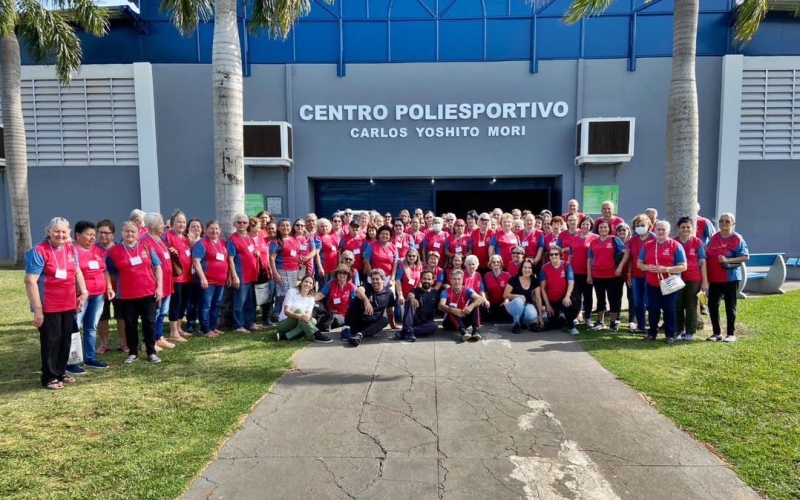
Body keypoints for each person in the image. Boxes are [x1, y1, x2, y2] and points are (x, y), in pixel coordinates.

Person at [25, 217, 90, 389]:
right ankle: (49, 376)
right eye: (56, 231)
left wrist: (83, 292)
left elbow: (77, 271)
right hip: (49, 305)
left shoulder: (70, 248)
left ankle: (60, 371)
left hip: (68, 303)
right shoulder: (39, 250)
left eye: (63, 231)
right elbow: (30, 281)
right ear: (48, 232)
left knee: (65, 340)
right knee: (51, 341)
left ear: (69, 232)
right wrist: (38, 309)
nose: (60, 235)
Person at [105, 220, 163, 364]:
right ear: (121, 233)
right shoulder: (114, 251)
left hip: (148, 292)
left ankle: (151, 351)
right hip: (127, 295)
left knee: (149, 323)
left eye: (133, 231)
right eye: (127, 231)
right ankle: (133, 352)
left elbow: (157, 267)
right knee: (130, 324)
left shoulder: (146, 246)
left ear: (138, 233)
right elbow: (109, 271)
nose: (130, 234)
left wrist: (159, 287)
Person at [70, 220, 110, 373]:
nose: (93, 238)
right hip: (80, 297)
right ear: (78, 235)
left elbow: (104, 270)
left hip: (98, 294)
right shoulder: (71, 250)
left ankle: (90, 358)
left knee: (91, 327)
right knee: (75, 327)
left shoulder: (97, 250)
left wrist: (109, 287)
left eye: (94, 234)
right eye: (89, 234)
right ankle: (71, 361)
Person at [637, 221, 687, 344]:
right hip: (652, 284)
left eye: (663, 229)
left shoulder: (675, 245)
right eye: (658, 229)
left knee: (669, 309)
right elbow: (639, 263)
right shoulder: (648, 245)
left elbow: (683, 266)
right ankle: (652, 333)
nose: (660, 232)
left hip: (669, 284)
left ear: (668, 231)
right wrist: (648, 267)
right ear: (654, 230)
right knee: (653, 309)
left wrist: (666, 269)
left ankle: (670, 335)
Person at [704, 213, 749, 342]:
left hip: (730, 278)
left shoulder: (737, 238)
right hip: (714, 278)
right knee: (712, 305)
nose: (724, 223)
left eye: (727, 221)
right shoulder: (714, 237)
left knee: (730, 306)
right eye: (721, 221)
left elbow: (745, 256)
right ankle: (716, 333)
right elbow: (706, 251)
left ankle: (731, 334)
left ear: (733, 224)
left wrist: (728, 259)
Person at [141, 213, 175, 350]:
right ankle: (147, 342)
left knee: (162, 312)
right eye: (161, 223)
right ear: (151, 225)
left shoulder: (161, 239)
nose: (164, 225)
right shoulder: (145, 241)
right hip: (155, 284)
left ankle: (158, 337)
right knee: (153, 314)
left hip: (167, 281)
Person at [587, 219, 628, 331]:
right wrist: (589, 275)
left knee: (613, 299)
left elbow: (626, 253)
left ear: (609, 229)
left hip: (612, 275)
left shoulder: (615, 240)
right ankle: (600, 321)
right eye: (601, 227)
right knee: (600, 299)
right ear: (597, 229)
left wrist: (620, 267)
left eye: (605, 227)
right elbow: (590, 259)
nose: (603, 229)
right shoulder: (594, 242)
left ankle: (613, 322)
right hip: (597, 275)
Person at [674, 216, 708, 341]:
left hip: (693, 278)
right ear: (678, 228)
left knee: (691, 305)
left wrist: (704, 281)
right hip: (677, 278)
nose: (685, 229)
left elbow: (703, 262)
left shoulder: (697, 242)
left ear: (692, 228)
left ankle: (690, 332)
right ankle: (678, 330)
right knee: (677, 304)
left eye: (688, 227)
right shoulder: (673, 242)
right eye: (683, 227)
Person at [192, 220, 228, 338]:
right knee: (205, 306)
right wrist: (203, 278)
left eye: (216, 229)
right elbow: (196, 262)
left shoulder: (222, 243)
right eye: (211, 228)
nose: (214, 231)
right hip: (208, 282)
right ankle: (205, 329)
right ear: (206, 230)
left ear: (220, 230)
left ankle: (212, 327)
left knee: (216, 305)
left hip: (220, 281)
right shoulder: (202, 243)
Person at [95, 219, 125, 354]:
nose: (103, 235)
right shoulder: (94, 250)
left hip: (119, 288)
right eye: (100, 232)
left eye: (106, 233)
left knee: (121, 316)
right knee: (102, 316)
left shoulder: (120, 248)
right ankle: (104, 344)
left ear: (113, 234)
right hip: (100, 288)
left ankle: (123, 343)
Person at [227, 213, 261, 333]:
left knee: (250, 301)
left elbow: (251, 250)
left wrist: (256, 253)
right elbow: (230, 259)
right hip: (241, 275)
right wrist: (234, 276)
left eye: (244, 222)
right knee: (239, 302)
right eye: (239, 222)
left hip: (252, 274)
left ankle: (249, 322)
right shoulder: (232, 239)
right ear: (234, 224)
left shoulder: (249, 237)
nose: (242, 224)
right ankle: (238, 325)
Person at [342, 269, 393, 347]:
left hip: (371, 324)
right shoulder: (368, 286)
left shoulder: (389, 293)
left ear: (383, 280)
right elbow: (358, 290)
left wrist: (393, 325)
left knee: (385, 320)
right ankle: (346, 328)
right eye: (373, 279)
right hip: (358, 321)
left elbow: (389, 311)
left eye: (377, 279)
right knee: (356, 299)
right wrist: (366, 300)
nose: (374, 281)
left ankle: (359, 335)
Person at [163, 210, 193, 342]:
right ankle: (173, 331)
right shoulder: (167, 236)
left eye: (184, 222)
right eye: (179, 222)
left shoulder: (186, 238)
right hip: (176, 277)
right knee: (175, 303)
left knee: (183, 303)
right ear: (172, 223)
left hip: (187, 276)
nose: (182, 224)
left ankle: (179, 327)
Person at [276, 275, 332, 342]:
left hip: (299, 323)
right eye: (306, 281)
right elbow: (286, 311)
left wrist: (304, 316)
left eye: (310, 283)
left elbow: (309, 314)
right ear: (301, 282)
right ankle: (316, 334)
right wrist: (299, 316)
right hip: (284, 323)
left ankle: (284, 336)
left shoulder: (311, 299)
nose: (308, 284)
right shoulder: (292, 292)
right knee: (300, 311)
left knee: (313, 321)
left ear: (313, 286)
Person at [363, 225, 399, 328]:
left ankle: (391, 323)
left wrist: (392, 279)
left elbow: (395, 264)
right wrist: (371, 275)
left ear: (390, 236)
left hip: (387, 276)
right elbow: (366, 261)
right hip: (374, 276)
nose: (384, 235)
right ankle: (373, 320)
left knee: (390, 298)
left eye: (387, 234)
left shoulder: (393, 247)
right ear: (378, 235)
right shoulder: (371, 245)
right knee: (373, 298)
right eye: (382, 233)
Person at [565, 215, 598, 326]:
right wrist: (568, 267)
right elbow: (570, 254)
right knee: (576, 297)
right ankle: (575, 316)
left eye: (587, 224)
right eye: (583, 224)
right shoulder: (574, 237)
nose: (585, 226)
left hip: (588, 272)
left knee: (588, 296)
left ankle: (588, 318)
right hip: (574, 272)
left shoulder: (595, 238)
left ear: (591, 226)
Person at [539, 246, 579, 335]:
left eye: (556, 254)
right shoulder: (544, 268)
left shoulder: (566, 265)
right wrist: (547, 306)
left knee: (568, 304)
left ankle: (571, 326)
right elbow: (543, 288)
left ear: (560, 255)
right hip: (552, 299)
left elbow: (571, 282)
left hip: (564, 297)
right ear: (548, 256)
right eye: (551, 254)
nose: (553, 256)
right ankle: (561, 317)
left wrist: (567, 296)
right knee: (554, 325)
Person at [627, 214, 655, 333]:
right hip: (636, 275)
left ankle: (653, 326)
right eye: (637, 225)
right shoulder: (632, 240)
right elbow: (630, 258)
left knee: (652, 302)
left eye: (643, 225)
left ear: (649, 225)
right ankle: (641, 326)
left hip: (651, 275)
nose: (640, 227)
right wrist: (628, 274)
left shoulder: (654, 238)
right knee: (638, 302)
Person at [439, 269, 484, 342]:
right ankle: (463, 332)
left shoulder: (466, 290)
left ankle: (476, 330)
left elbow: (480, 298)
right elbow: (441, 305)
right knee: (451, 308)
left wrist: (471, 306)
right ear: (451, 280)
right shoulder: (445, 292)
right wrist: (454, 310)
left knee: (474, 303)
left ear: (462, 280)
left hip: (463, 318)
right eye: (454, 279)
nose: (456, 282)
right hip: (450, 323)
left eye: (459, 279)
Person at [270, 218, 302, 319]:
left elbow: (296, 253)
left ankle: (285, 313)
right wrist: (275, 273)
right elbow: (271, 258)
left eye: (287, 225)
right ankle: (279, 313)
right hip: (282, 270)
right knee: (284, 293)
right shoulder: (276, 242)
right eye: (282, 225)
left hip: (294, 271)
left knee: (290, 293)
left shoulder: (293, 239)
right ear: (278, 228)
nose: (285, 227)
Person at [397, 270, 440, 342]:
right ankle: (409, 330)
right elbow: (410, 295)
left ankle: (407, 332)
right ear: (421, 280)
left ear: (432, 281)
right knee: (409, 302)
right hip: (414, 320)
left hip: (426, 322)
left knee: (434, 326)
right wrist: (412, 298)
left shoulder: (436, 293)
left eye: (429, 279)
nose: (426, 281)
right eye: (424, 279)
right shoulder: (416, 290)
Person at [503, 258, 543, 333]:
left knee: (532, 316)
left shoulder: (535, 281)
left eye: (529, 268)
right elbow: (505, 295)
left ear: (532, 269)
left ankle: (524, 322)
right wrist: (517, 296)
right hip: (513, 305)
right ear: (521, 268)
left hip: (527, 304)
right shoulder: (514, 279)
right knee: (519, 301)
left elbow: (538, 298)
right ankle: (516, 324)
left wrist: (540, 316)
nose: (527, 270)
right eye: (525, 267)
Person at [315, 265, 357, 332]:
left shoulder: (351, 287)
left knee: (335, 318)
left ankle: (324, 325)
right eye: (339, 273)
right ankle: (325, 324)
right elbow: (320, 295)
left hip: (343, 315)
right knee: (316, 306)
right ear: (336, 274)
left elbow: (355, 301)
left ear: (348, 275)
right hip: (329, 312)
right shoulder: (331, 284)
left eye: (344, 273)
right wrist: (309, 301)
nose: (341, 275)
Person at [184, 218, 204, 334]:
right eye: (193, 226)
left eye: (198, 226)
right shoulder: (185, 241)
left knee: (202, 300)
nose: (195, 229)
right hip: (188, 275)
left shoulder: (204, 241)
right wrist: (190, 243)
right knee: (190, 302)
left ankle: (203, 324)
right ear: (188, 228)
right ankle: (190, 324)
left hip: (201, 275)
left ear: (201, 229)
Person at [483, 254, 511, 321]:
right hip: (492, 304)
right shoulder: (487, 275)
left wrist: (506, 300)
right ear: (490, 264)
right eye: (493, 262)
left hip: (504, 303)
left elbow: (511, 291)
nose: (496, 263)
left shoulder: (507, 275)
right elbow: (485, 290)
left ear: (501, 264)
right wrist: (486, 301)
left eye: (498, 262)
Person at [314, 218, 339, 285]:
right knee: (323, 288)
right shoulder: (318, 238)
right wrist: (320, 268)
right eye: (322, 226)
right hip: (324, 268)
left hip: (333, 268)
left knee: (332, 287)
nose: (324, 228)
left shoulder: (331, 237)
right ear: (318, 228)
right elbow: (316, 254)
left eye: (326, 226)